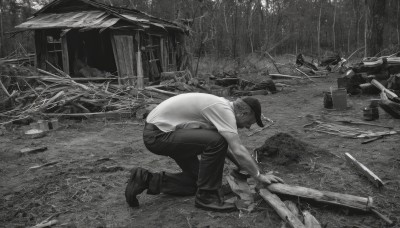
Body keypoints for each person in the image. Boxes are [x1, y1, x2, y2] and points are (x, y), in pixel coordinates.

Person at [125, 92, 283, 212]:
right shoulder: (223, 110)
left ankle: (146, 179)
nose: (248, 127)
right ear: (244, 113)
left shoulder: (221, 107)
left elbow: (226, 148)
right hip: (159, 135)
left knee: (198, 182)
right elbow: (236, 148)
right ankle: (207, 197)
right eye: (250, 122)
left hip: (167, 133)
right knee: (216, 141)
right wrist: (258, 175)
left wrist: (243, 167)